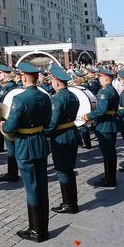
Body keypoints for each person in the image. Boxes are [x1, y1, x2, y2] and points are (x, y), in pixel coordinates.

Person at [0, 62, 51, 243]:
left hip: (25, 145)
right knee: (42, 186)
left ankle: (36, 231)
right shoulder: (45, 97)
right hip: (40, 142)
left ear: (23, 77)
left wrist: (3, 125)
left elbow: (11, 126)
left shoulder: (20, 99)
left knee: (31, 187)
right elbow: (47, 121)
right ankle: (43, 227)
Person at [45, 65, 80, 214]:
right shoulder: (73, 95)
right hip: (72, 132)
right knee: (69, 169)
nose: (51, 83)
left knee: (62, 170)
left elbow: (53, 121)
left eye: (52, 80)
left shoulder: (58, 98)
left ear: (57, 82)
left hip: (61, 137)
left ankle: (69, 204)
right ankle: (72, 202)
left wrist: (43, 133)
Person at [82, 68, 119, 187]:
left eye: (101, 77)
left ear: (106, 78)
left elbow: (101, 111)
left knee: (107, 153)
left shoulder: (104, 92)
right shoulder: (113, 90)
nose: (99, 79)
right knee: (111, 151)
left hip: (104, 125)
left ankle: (110, 179)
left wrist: (88, 115)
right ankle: (109, 176)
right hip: (111, 123)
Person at [0, 64, 20, 181]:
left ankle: (12, 173)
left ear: (5, 74)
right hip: (14, 117)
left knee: (10, 147)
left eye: (1, 74)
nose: (0, 76)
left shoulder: (6, 87)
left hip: (6, 117)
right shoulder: (14, 85)